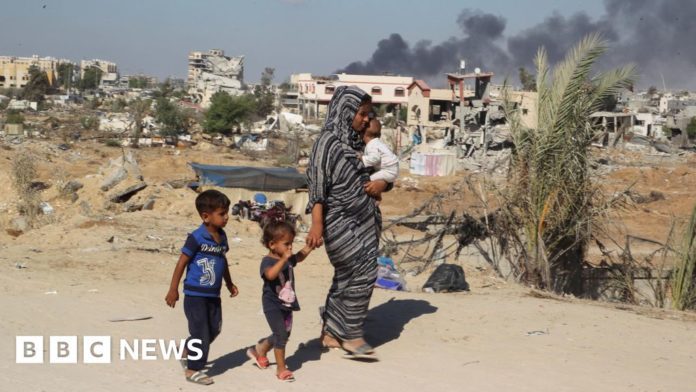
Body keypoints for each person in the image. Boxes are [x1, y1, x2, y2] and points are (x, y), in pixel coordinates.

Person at [305, 85, 390, 360]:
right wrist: (317, 225)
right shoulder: (326, 143)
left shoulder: (361, 144)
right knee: (361, 272)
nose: (366, 119)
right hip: (340, 221)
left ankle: (330, 332)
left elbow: (384, 176)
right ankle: (352, 334)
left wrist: (382, 184)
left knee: (345, 277)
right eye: (361, 113)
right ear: (345, 111)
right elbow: (317, 187)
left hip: (364, 222)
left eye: (368, 114)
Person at [165, 189, 239, 386]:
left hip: (213, 295)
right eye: (222, 213)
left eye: (226, 212)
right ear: (206, 216)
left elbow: (222, 261)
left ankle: (188, 350)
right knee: (201, 333)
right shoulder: (196, 237)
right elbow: (181, 263)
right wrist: (173, 290)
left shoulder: (222, 238)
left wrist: (229, 283)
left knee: (214, 329)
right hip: (194, 295)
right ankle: (192, 369)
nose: (226, 217)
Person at [246, 220, 314, 382]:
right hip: (272, 304)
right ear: (272, 244)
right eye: (286, 244)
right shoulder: (268, 261)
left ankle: (260, 349)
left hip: (287, 303)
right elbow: (270, 275)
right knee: (281, 335)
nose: (290, 248)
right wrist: (283, 260)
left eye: (291, 243)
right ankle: (281, 368)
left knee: (285, 333)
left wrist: (309, 247)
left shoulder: (287, 256)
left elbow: (298, 257)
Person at [361, 118, 399, 187]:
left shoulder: (371, 145)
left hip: (388, 171)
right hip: (392, 170)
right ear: (379, 135)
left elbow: (375, 159)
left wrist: (362, 158)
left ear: (363, 134)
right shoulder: (378, 143)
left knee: (367, 181)